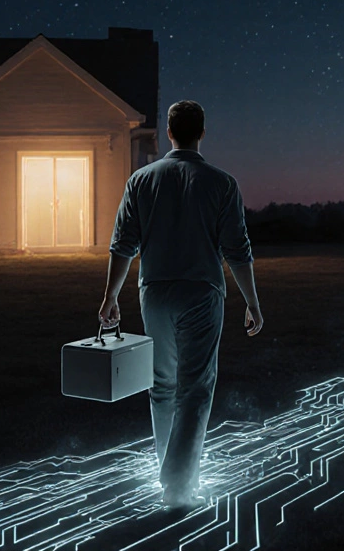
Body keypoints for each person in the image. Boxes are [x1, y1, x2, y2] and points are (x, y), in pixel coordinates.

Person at [99, 99, 262, 508]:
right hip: (203, 292)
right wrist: (252, 302)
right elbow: (237, 250)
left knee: (162, 387)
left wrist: (110, 296)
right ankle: (177, 484)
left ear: (169, 132)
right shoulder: (222, 183)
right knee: (195, 389)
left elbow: (123, 244)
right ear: (202, 132)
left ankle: (169, 473)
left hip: (153, 291)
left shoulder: (142, 180)